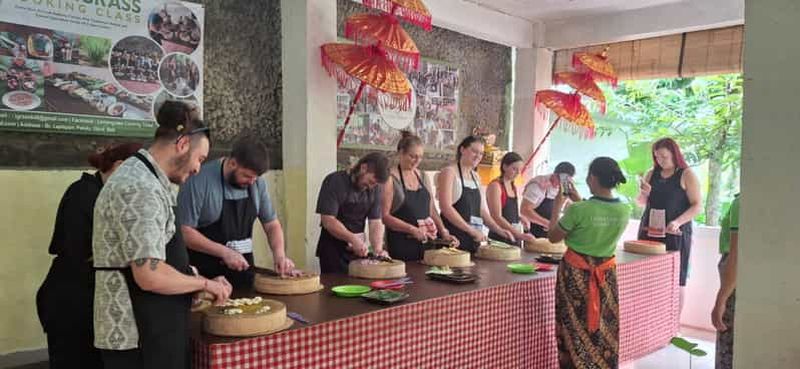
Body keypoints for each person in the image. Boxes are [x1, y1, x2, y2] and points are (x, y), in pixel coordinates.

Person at [92, 101, 231, 369]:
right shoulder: (140, 186)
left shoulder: (151, 178)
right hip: (137, 333)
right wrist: (204, 285)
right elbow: (149, 274)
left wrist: (194, 278)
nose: (198, 169)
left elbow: (160, 255)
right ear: (182, 144)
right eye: (200, 158)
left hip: (156, 324)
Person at [36, 143, 142, 369]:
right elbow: (81, 251)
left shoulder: (109, 195)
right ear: (119, 166)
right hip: (70, 299)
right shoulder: (82, 193)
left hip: (91, 297)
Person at [178, 136, 297, 288]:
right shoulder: (199, 180)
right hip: (205, 276)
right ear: (233, 163)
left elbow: (271, 224)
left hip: (244, 272)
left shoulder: (256, 183)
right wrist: (225, 252)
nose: (251, 182)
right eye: (247, 176)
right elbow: (185, 231)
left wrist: (280, 256)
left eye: (255, 178)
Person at [548, 157, 630, 369]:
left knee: (573, 327)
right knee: (603, 325)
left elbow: (553, 236)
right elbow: (596, 214)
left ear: (592, 177)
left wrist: (558, 205)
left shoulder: (578, 210)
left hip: (576, 276)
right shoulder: (624, 210)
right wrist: (581, 201)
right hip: (606, 277)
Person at [381, 131, 459, 261]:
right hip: (401, 244)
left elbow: (432, 210)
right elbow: (385, 216)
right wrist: (411, 229)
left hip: (427, 244)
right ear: (401, 153)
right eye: (413, 156)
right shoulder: (390, 179)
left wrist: (444, 232)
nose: (417, 161)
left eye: (420, 157)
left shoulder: (422, 176)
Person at [637, 138, 702, 289]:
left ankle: (673, 313)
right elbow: (641, 202)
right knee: (647, 277)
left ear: (674, 154)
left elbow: (697, 205)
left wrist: (678, 222)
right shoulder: (651, 174)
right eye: (657, 157)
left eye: (664, 157)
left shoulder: (686, 174)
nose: (660, 161)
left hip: (675, 232)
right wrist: (644, 193)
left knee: (675, 280)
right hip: (650, 231)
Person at [436, 136, 514, 252]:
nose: (478, 156)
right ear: (462, 150)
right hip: (453, 239)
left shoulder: (476, 177)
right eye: (474, 151)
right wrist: (471, 230)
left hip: (472, 240)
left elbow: (482, 211)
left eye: (481, 153)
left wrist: (499, 230)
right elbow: (446, 207)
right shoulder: (449, 172)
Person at [316, 152, 390, 273]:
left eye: (375, 184)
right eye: (371, 182)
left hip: (358, 250)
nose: (371, 187)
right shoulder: (334, 181)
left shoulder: (375, 189)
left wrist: (378, 249)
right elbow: (328, 220)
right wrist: (352, 239)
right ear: (363, 168)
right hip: (333, 249)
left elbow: (375, 221)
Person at [713, 193, 739, 369]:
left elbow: (737, 254)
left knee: (727, 337)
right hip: (735, 272)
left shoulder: (741, 203)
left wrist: (720, 300)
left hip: (733, 273)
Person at [486, 152, 536, 245]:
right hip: (499, 236)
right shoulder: (495, 186)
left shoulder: (513, 186)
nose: (517, 173)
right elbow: (496, 216)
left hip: (513, 236)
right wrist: (519, 234)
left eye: (519, 170)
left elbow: (509, 213)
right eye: (514, 169)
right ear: (504, 167)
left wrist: (520, 218)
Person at [520, 161, 580, 238]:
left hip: (552, 232)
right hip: (533, 231)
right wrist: (547, 223)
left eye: (566, 180)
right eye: (560, 179)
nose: (561, 184)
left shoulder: (565, 187)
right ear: (555, 174)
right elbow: (525, 210)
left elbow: (566, 206)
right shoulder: (538, 185)